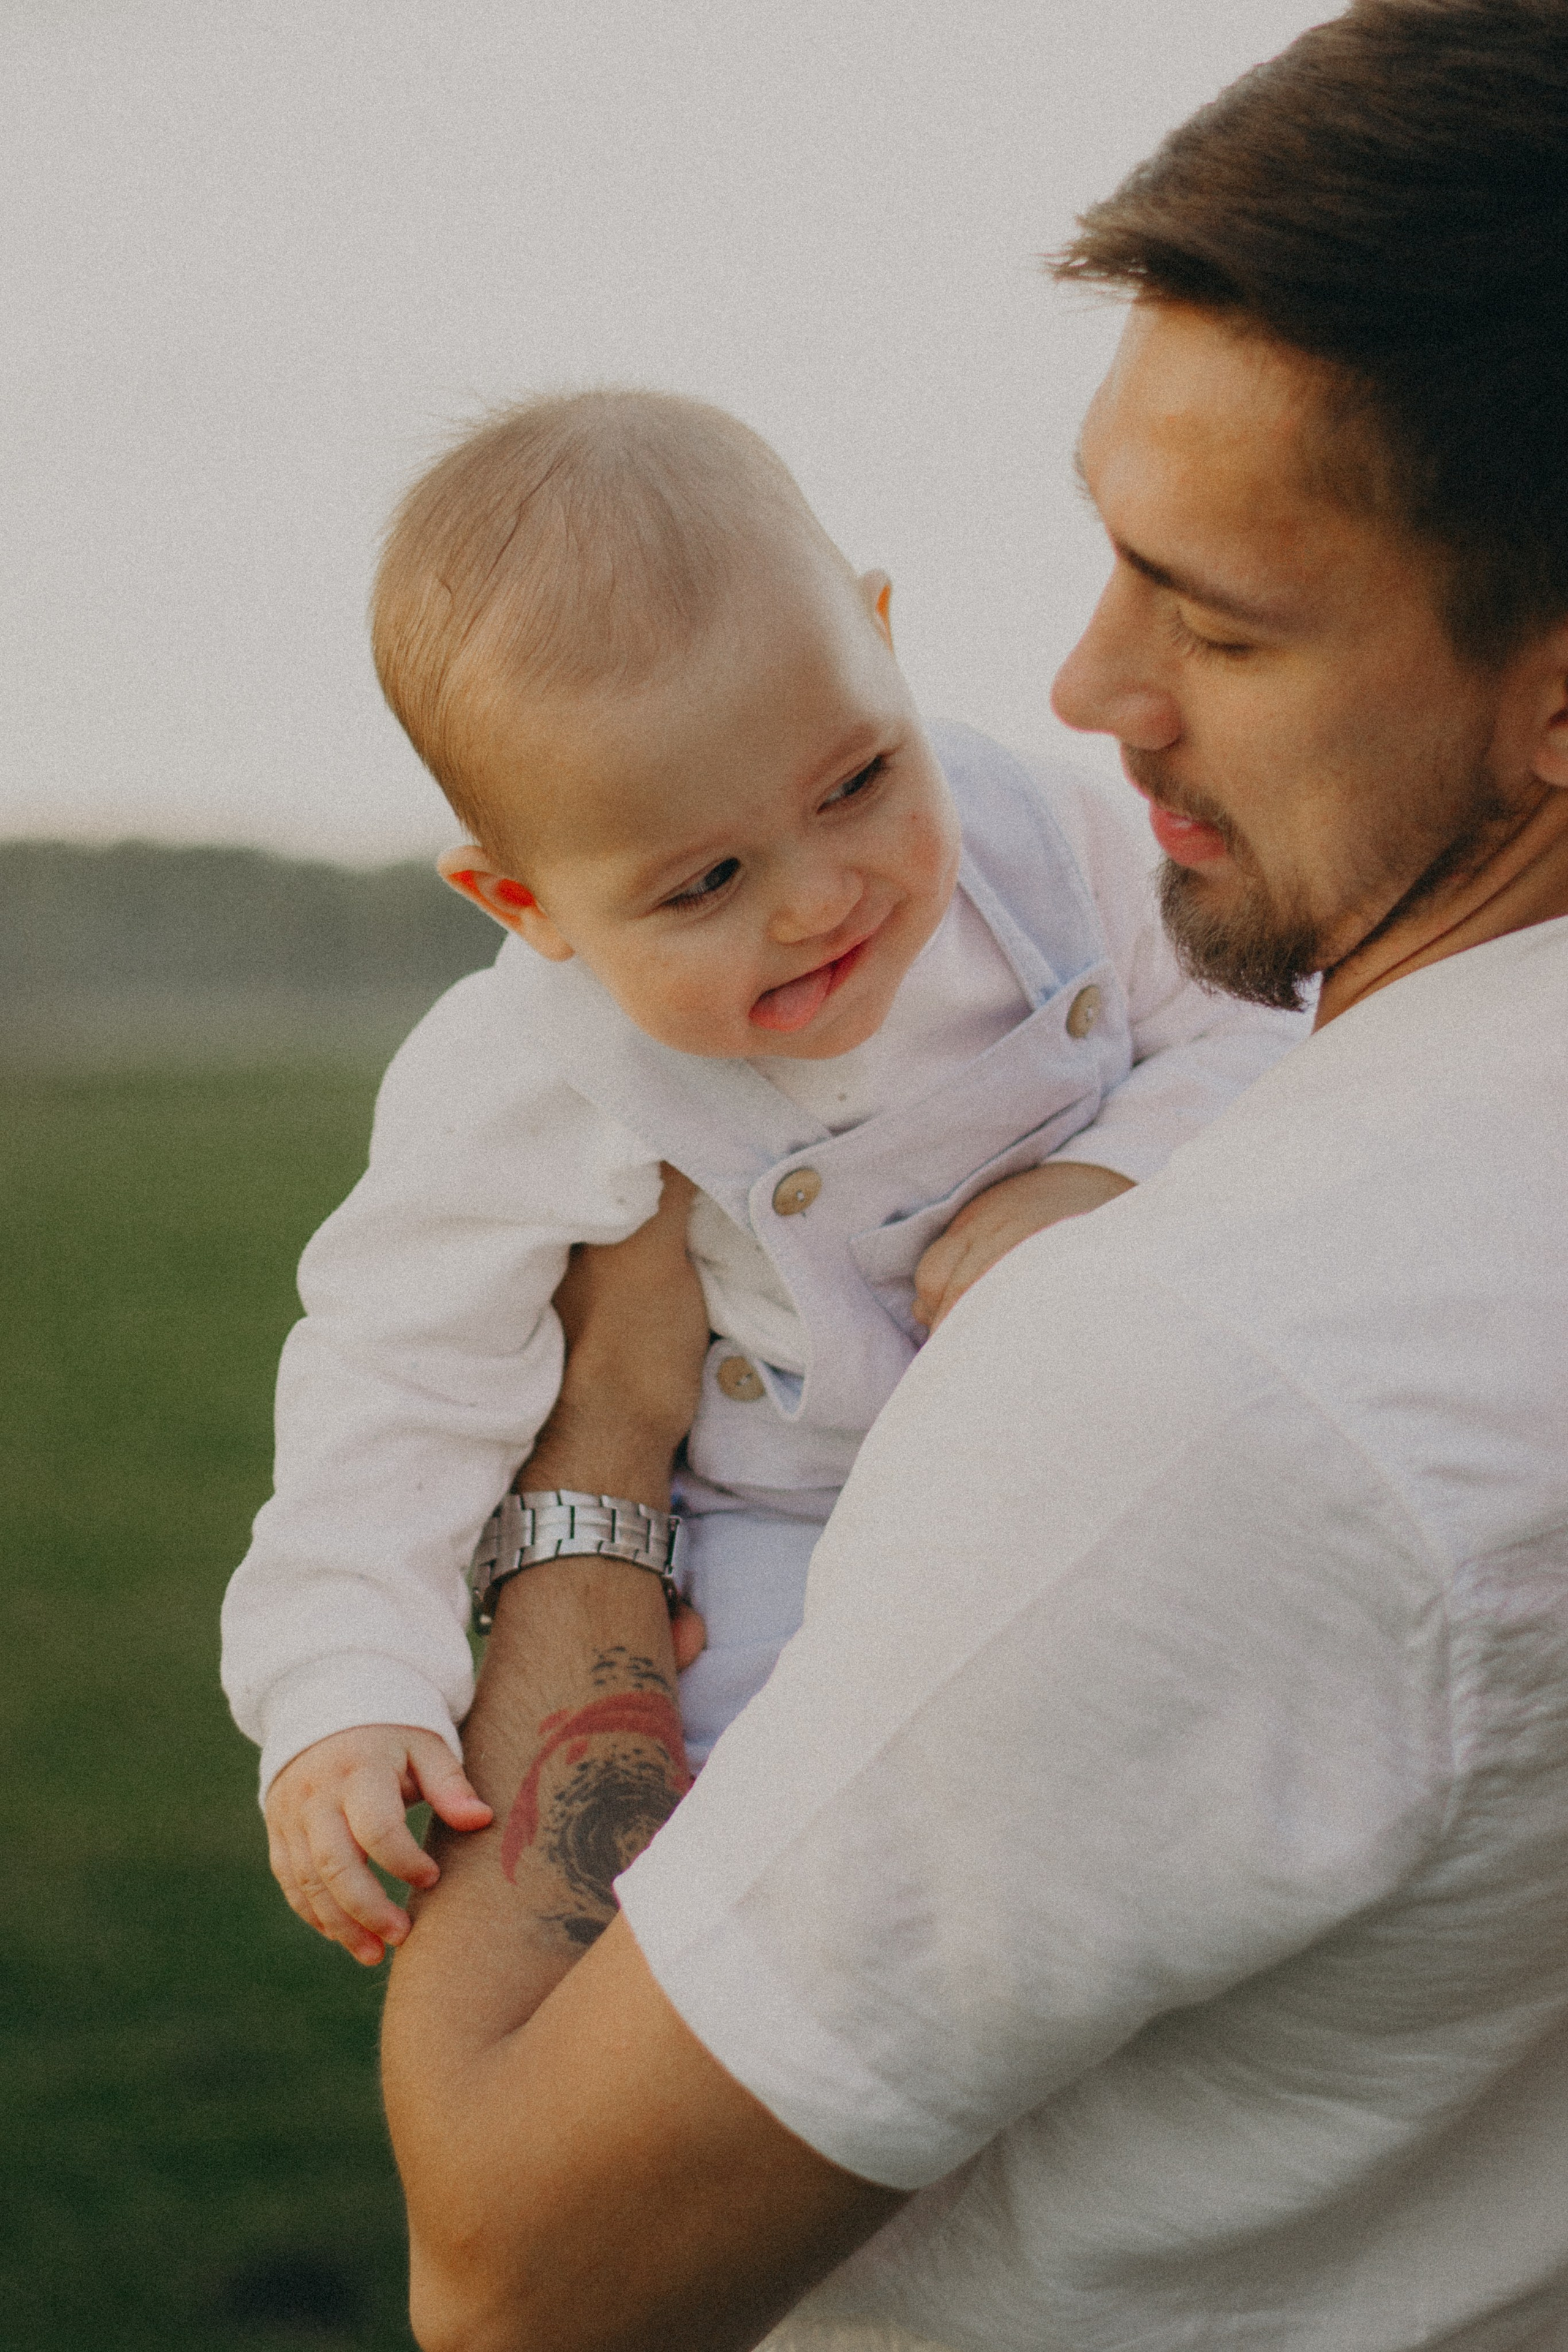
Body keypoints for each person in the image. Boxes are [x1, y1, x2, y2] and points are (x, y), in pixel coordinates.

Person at [376, 3, 1568, 2349]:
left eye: (1219, 618)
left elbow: (521, 2270)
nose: (1094, 684)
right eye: (1110, 561)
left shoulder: (1209, 1373)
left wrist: (606, 1455)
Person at [221, 391, 1303, 1964]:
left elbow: (1263, 1024)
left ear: (881, 638)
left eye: (855, 782)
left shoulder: (1045, 839)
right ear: (523, 902)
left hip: (1103, 1426)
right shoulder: (531, 1072)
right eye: (706, 882)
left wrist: (1119, 1169)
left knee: (1205, 1736)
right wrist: (343, 1684)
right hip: (785, 1518)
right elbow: (393, 1382)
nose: (819, 901)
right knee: (755, 1853)